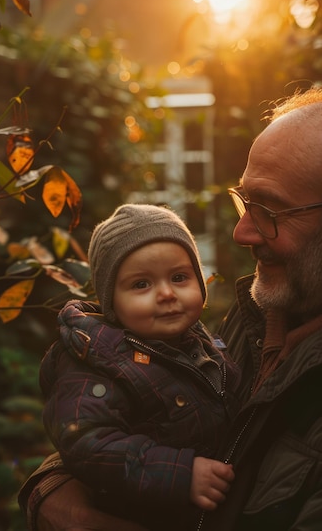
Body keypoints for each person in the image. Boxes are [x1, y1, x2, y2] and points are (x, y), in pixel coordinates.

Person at [19, 85, 322, 531]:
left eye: (270, 210)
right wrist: (50, 489)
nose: (242, 233)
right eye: (245, 202)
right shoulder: (250, 319)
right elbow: (104, 432)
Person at [33, 203, 241, 531]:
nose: (167, 293)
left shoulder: (200, 343)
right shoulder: (96, 362)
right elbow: (86, 442)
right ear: (110, 301)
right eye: (141, 284)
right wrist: (179, 474)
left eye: (179, 277)